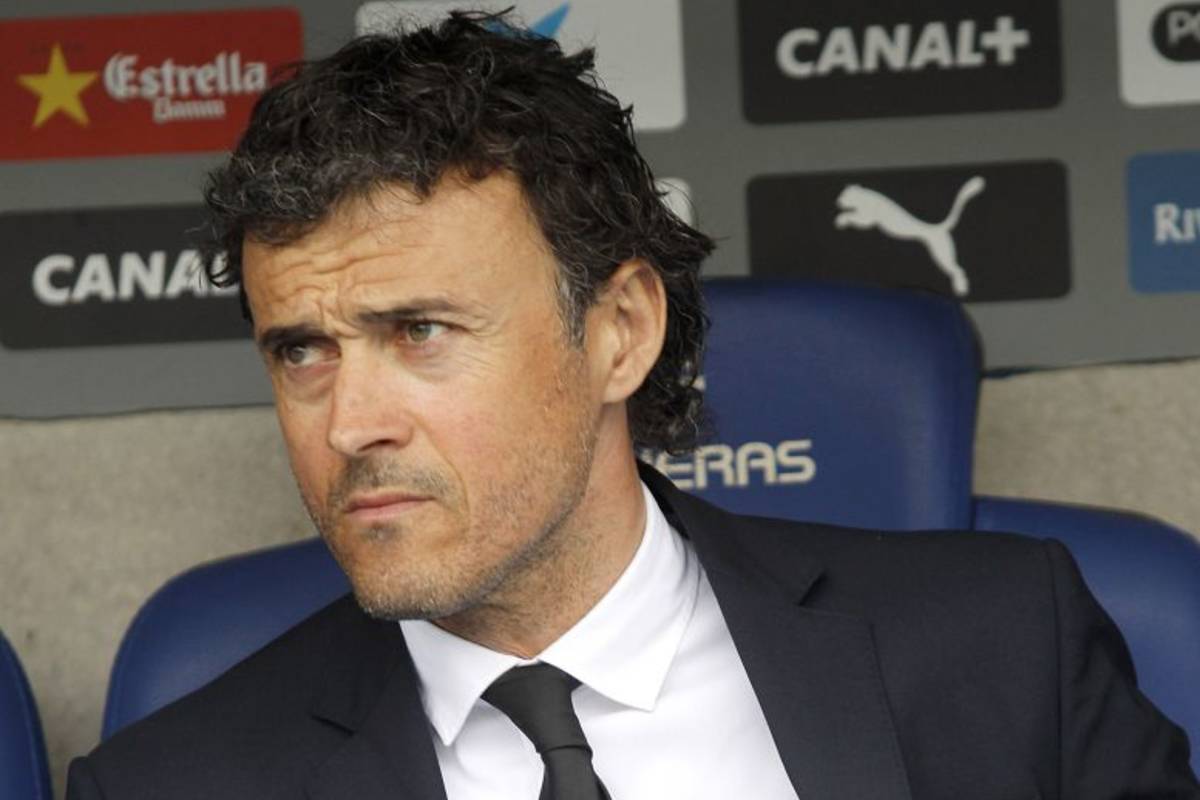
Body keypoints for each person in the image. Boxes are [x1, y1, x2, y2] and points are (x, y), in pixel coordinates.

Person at [67, 11, 1198, 799]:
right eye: (302, 350)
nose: (349, 421)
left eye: (420, 331)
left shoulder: (1006, 644)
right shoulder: (169, 785)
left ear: (620, 331)